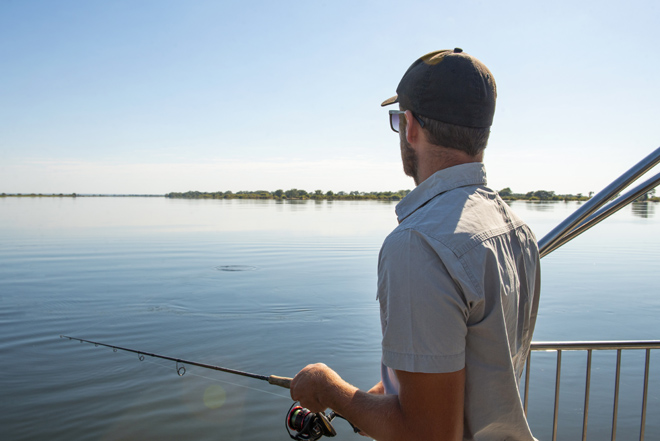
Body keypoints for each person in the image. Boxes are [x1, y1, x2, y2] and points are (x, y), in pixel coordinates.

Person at [290, 48, 541, 441]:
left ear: (410, 127)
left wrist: (328, 389)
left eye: (397, 120)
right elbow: (477, 367)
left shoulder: (416, 244)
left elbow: (428, 434)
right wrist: (387, 395)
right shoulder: (516, 230)